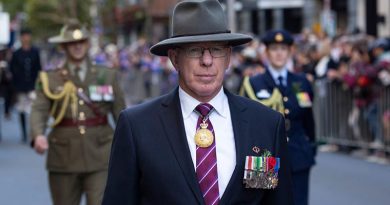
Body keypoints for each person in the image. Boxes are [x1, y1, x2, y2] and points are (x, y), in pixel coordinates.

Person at [103, 1, 293, 205]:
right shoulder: (137, 126)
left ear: (228, 58)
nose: (207, 61)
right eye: (195, 50)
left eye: (216, 50)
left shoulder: (266, 124)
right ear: (175, 58)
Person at [30, 20, 125, 205]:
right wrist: (38, 134)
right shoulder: (50, 78)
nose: (77, 46)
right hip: (63, 156)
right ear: (63, 46)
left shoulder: (107, 75)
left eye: (81, 41)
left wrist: (131, 146)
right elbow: (39, 109)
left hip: (100, 153)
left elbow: (121, 114)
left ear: (88, 44)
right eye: (72, 43)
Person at [240, 29, 316, 205]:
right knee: (264, 202)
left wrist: (311, 145)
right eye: (274, 49)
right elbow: (246, 123)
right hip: (263, 155)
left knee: (298, 201)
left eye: (283, 48)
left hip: (297, 153)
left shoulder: (301, 82)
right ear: (266, 52)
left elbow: (308, 118)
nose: (279, 53)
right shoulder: (253, 83)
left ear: (291, 52)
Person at [9, 28, 41, 143]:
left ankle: (33, 132)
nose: (26, 38)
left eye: (28, 35)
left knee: (33, 110)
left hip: (33, 86)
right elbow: (12, 69)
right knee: (22, 110)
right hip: (21, 86)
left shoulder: (35, 52)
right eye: (24, 36)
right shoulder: (16, 53)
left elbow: (38, 68)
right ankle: (24, 133)